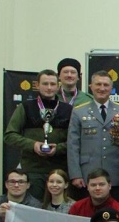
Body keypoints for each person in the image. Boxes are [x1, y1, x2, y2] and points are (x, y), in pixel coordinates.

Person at [4, 69, 72, 200]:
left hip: (59, 171)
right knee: (34, 207)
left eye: (52, 84)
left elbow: (75, 141)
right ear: (37, 85)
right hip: (32, 170)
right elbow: (9, 135)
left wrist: (58, 148)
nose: (49, 87)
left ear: (58, 86)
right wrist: (33, 145)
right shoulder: (25, 107)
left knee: (58, 207)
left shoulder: (68, 110)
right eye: (45, 84)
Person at [68, 70, 119, 203]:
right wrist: (75, 174)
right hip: (87, 174)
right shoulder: (79, 111)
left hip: (116, 173)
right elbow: (73, 145)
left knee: (116, 211)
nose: (102, 88)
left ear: (111, 88)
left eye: (106, 85)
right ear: (91, 86)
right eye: (98, 84)